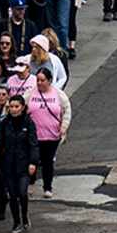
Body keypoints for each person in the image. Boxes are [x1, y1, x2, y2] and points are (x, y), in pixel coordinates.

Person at [0, 93, 38, 233]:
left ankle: (24, 216)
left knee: (22, 193)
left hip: (23, 164)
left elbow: (33, 144)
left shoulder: (29, 123)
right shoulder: (5, 124)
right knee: (12, 194)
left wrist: (33, 162)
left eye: (16, 106)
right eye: (11, 106)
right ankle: (16, 222)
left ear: (22, 107)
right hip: (9, 164)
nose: (13, 109)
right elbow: (0, 144)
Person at [27, 67, 72, 199]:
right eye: (38, 80)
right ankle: (30, 183)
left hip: (52, 135)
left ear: (49, 81)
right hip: (34, 135)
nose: (39, 83)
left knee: (48, 162)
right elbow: (21, 105)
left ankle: (48, 187)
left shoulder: (58, 94)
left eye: (42, 80)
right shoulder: (30, 93)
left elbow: (67, 110)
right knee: (33, 160)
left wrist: (64, 127)